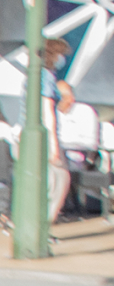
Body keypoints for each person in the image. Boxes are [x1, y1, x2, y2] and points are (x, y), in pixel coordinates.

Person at [54, 78, 98, 218]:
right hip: (57, 156)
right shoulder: (53, 112)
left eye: (60, 98)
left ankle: (59, 207)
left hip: (77, 157)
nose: (57, 101)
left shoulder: (85, 112)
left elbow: (91, 143)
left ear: (71, 98)